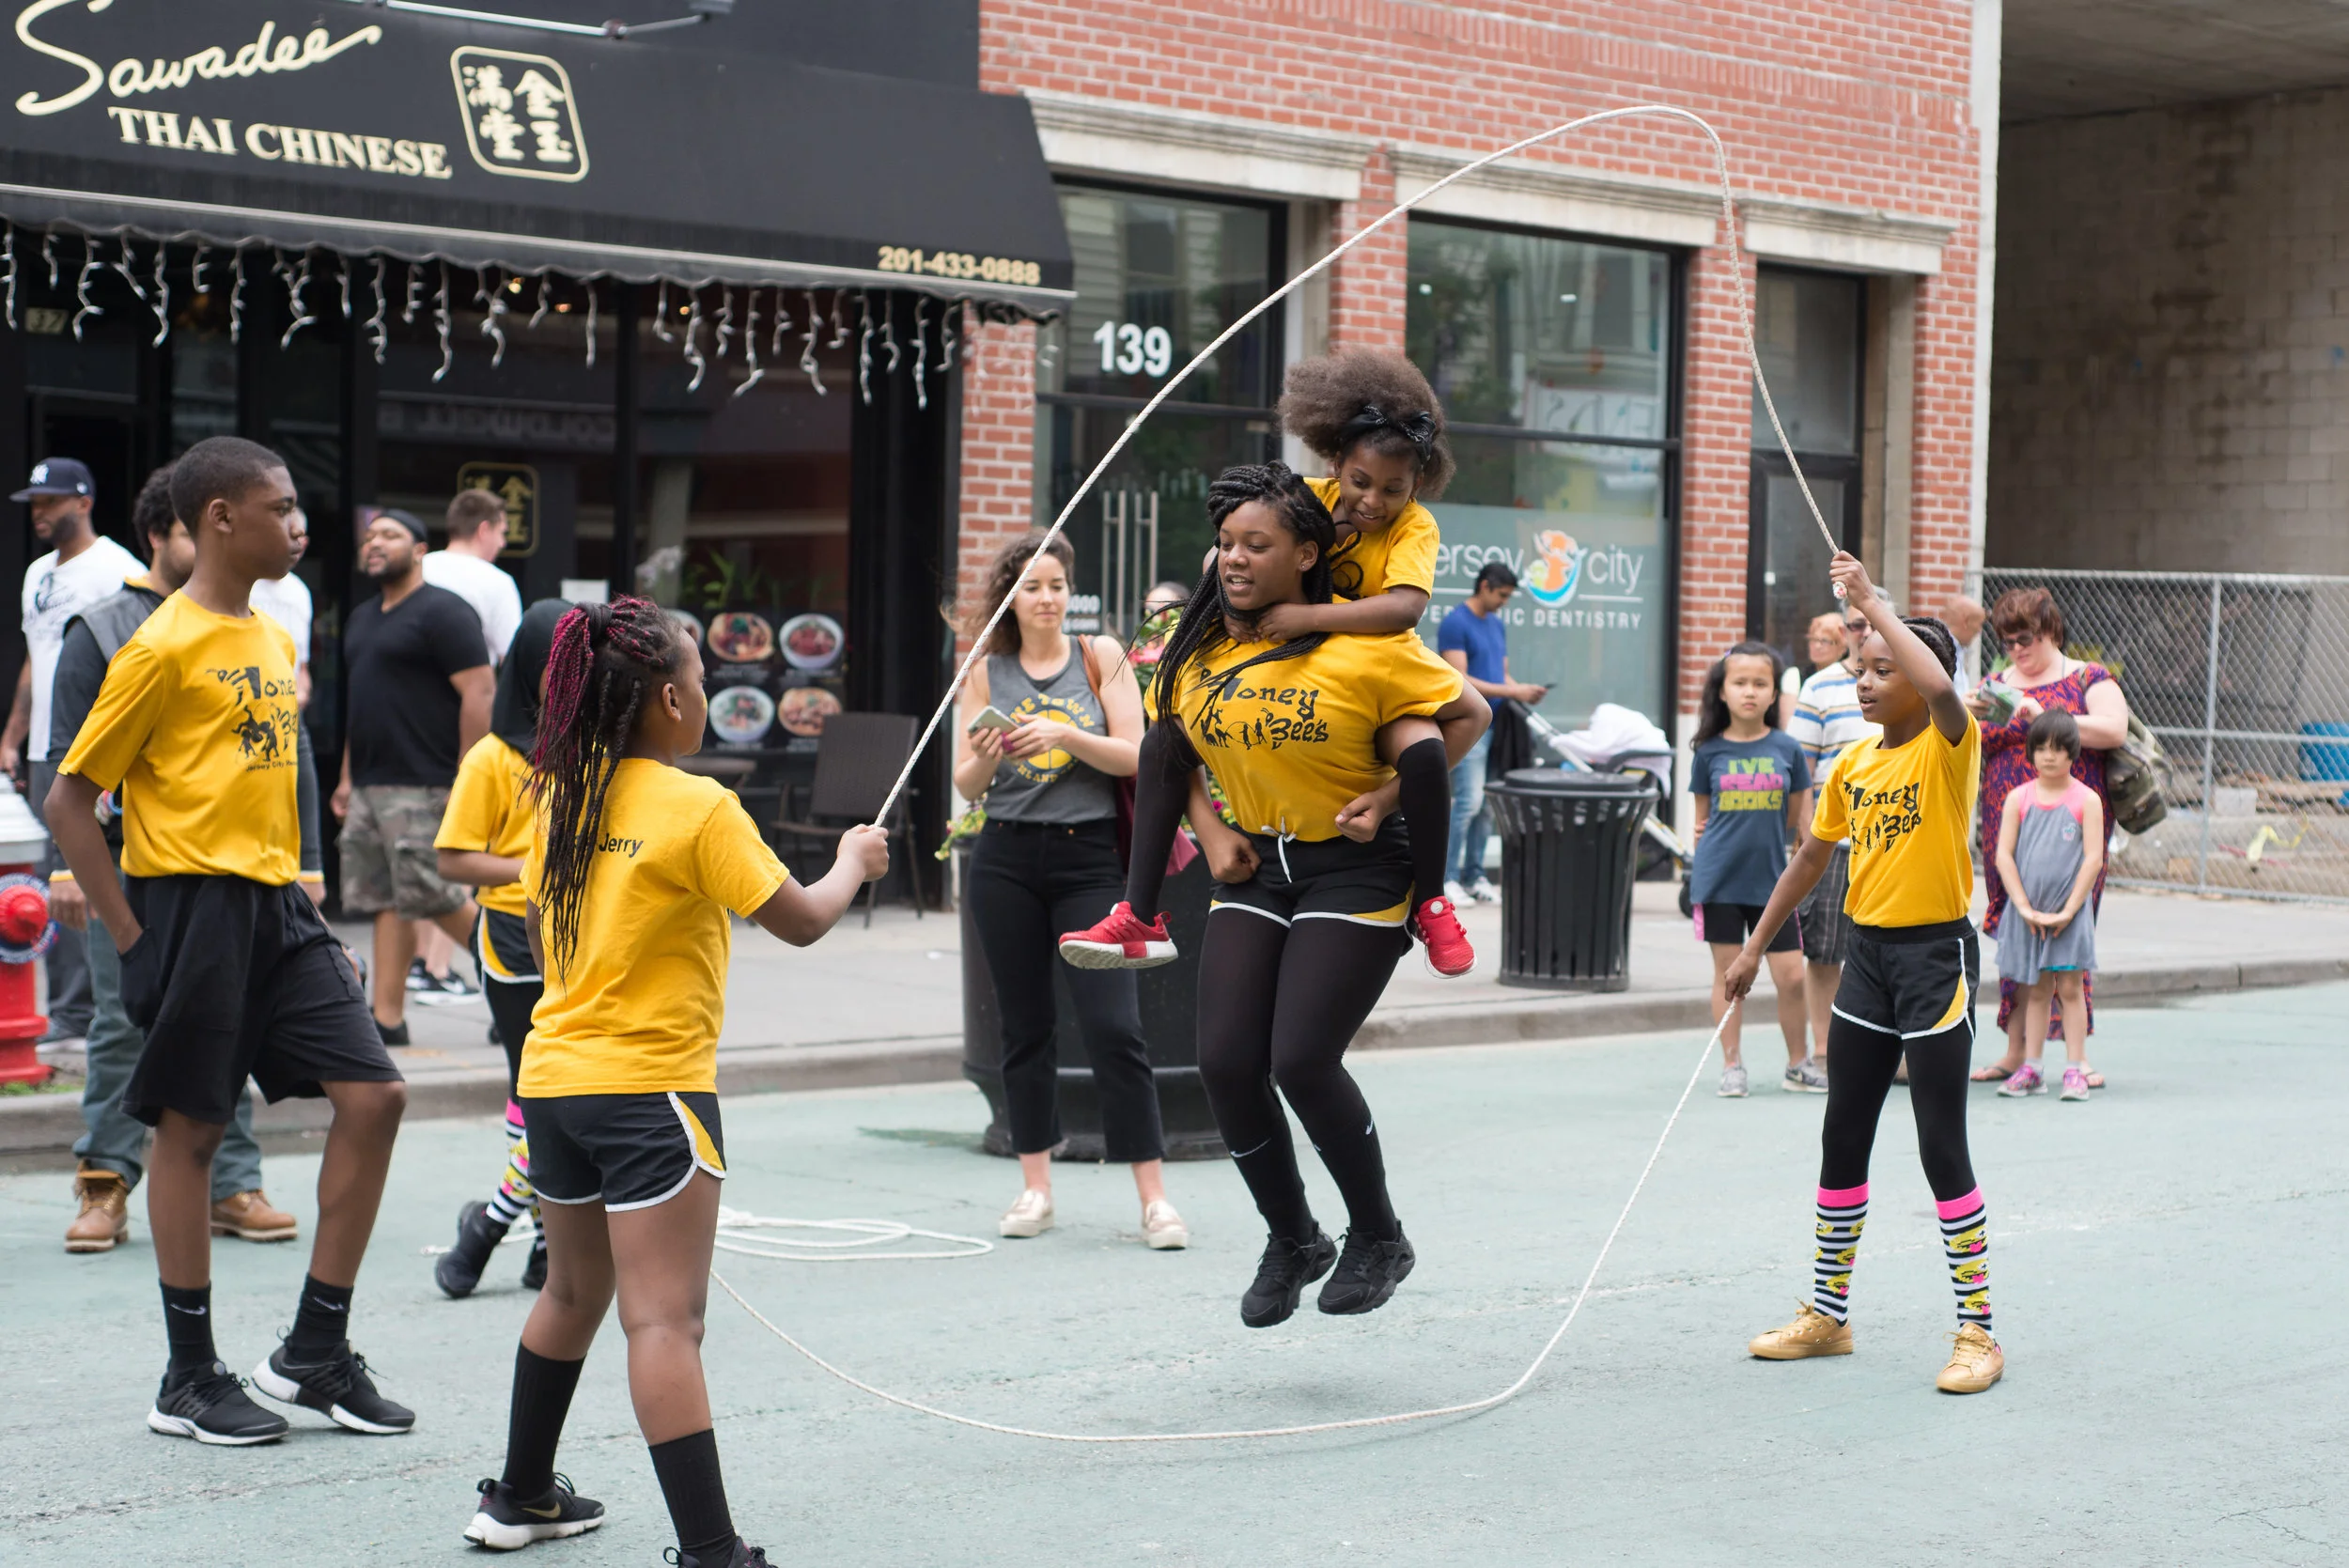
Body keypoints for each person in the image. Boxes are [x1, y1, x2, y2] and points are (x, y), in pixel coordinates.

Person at [460, 598, 888, 1563]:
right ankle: (711, 1550)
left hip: (554, 1081)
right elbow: (803, 919)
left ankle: (520, 1494)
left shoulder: (557, 797)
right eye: (699, 678)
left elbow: (544, 928)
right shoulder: (700, 807)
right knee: (663, 1321)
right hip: (652, 1091)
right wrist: (854, 861)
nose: (703, 692)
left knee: (571, 1295)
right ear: (668, 699)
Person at [1059, 462, 1490, 1326]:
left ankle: (1379, 1236)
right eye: (1226, 543)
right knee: (1225, 1061)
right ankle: (1294, 1238)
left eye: (1257, 544)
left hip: (1359, 865)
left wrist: (1389, 800)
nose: (1234, 558)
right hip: (1260, 862)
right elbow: (1168, 752)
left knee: (1300, 1059)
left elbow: (1460, 722)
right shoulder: (1204, 651)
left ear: (1306, 554)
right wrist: (1212, 831)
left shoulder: (1367, 647)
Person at [47, 436, 412, 1445]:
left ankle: (313, 1352)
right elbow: (71, 799)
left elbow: (267, 789)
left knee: (376, 1095)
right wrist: (132, 938)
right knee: (193, 1130)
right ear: (220, 518)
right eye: (281, 507)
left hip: (277, 905)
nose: (299, 526)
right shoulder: (157, 646)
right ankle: (189, 1376)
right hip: (190, 906)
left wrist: (315, 917)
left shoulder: (272, 635)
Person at [1726, 551, 2000, 1396]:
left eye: (1885, 670)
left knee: (1940, 1142)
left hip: (1934, 959)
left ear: (1921, 677)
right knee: (1842, 1134)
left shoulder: (1951, 746)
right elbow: (1809, 859)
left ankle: (1979, 1331)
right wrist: (1753, 947)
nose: (1866, 681)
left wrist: (1875, 603)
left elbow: (1943, 685)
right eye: (1861, 668)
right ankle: (1828, 1313)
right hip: (1868, 959)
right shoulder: (1853, 764)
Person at [54, 465, 295, 1254]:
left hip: (229, 872)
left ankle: (233, 1182)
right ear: (162, 534)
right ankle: (104, 1180)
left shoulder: (257, 624)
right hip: (124, 864)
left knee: (231, 1024)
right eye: (195, 529)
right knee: (121, 1024)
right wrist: (66, 869)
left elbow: (284, 749)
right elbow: (64, 762)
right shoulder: (105, 629)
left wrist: (308, 864)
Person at [951, 534, 1184, 1248]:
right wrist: (987, 755)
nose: (1046, 598)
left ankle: (1154, 1199)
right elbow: (965, 782)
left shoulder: (1100, 655)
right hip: (1005, 858)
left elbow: (1135, 753)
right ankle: (1036, 1189)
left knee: (1115, 1026)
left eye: (1056, 584)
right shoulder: (986, 670)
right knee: (1025, 1028)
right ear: (1011, 598)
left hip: (1089, 860)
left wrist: (1063, 735)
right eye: (1031, 586)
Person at [431, 599, 569, 1297]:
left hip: (582, 937)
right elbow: (452, 858)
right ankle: (506, 1230)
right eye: (561, 663)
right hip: (513, 938)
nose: (576, 675)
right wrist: (534, 869)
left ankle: (533, 1236)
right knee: (536, 1091)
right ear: (531, 668)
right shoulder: (490, 757)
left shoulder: (598, 748)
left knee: (563, 1090)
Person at [332, 507, 495, 1046]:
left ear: (420, 549)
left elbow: (480, 691)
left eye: (390, 535)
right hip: (370, 785)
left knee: (435, 895)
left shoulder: (444, 612)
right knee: (386, 899)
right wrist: (347, 778)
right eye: (370, 536)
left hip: (425, 782)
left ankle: (525, 984)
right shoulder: (361, 618)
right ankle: (387, 1019)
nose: (375, 543)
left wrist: (467, 775)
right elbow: (361, 703)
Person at [1965, 586, 2129, 1090]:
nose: (2017, 649)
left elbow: (2114, 729)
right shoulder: (1997, 684)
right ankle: (2018, 1052)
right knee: (2015, 936)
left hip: (2071, 829)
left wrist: (2047, 718)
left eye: (2026, 638)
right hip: (2008, 825)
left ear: (2050, 630)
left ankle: (2078, 1058)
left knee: (2070, 936)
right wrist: (1967, 713)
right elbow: (1972, 743)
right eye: (2008, 641)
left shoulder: (2086, 678)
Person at [6, 458, 142, 1043]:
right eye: (34, 503)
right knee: (49, 878)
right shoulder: (37, 572)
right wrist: (12, 736)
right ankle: (69, 1010)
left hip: (95, 749)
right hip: (45, 745)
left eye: (50, 502)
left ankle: (100, 1007)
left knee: (89, 869)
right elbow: (35, 659)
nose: (39, 513)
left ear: (84, 502)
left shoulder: (117, 568)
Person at [1688, 642, 1818, 1097]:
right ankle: (1732, 1065)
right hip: (1719, 881)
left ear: (1773, 693)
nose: (1749, 691)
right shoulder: (1707, 752)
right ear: (1722, 691)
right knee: (1730, 978)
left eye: (1760, 683)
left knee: (1792, 976)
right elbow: (1701, 822)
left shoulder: (1788, 749)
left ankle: (1798, 1064)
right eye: (1739, 682)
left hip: (1773, 883)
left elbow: (1797, 821)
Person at [1783, 598, 1885, 1071]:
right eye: (1856, 625)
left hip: (1891, 844)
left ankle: (1887, 1052)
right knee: (1824, 952)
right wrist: (1807, 838)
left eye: (1873, 622)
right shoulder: (1819, 685)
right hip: (1834, 842)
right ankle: (1825, 1051)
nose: (1864, 631)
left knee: (1888, 952)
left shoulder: (1908, 682)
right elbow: (1800, 769)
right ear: (1844, 631)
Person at [1991, 708, 2103, 1102]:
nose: (2049, 756)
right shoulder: (2018, 798)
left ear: (2073, 752)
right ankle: (2032, 1068)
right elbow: (2003, 855)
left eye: (2058, 748)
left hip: (2069, 916)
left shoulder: (2087, 800)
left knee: (2070, 989)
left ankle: (2075, 1069)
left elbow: (2093, 859)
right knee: (2035, 991)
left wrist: (2068, 911)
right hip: (2029, 917)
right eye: (2041, 748)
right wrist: (2024, 907)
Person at [1435, 560, 1548, 905]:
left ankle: (1474, 876)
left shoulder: (1496, 624)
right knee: (1468, 802)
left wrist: (1523, 690)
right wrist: (1514, 691)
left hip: (1499, 725)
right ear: (1484, 586)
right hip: (1470, 726)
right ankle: (1447, 878)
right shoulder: (1456, 622)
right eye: (1501, 595)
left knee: (1486, 806)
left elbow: (1501, 675)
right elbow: (1459, 678)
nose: (1504, 602)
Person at [248, 505, 327, 906]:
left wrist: (303, 689)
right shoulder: (242, 582)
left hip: (287, 719)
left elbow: (303, 666)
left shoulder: (299, 592)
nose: (295, 543)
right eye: (287, 533)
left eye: (300, 536)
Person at [423, 488, 524, 667]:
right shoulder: (498, 581)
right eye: (501, 532)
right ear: (484, 529)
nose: (502, 543)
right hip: (471, 682)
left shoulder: (418, 568)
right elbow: (511, 659)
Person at [1941, 594, 1986, 699]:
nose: (1979, 631)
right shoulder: (1941, 651)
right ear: (1966, 621)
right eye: (1980, 624)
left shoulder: (1957, 650)